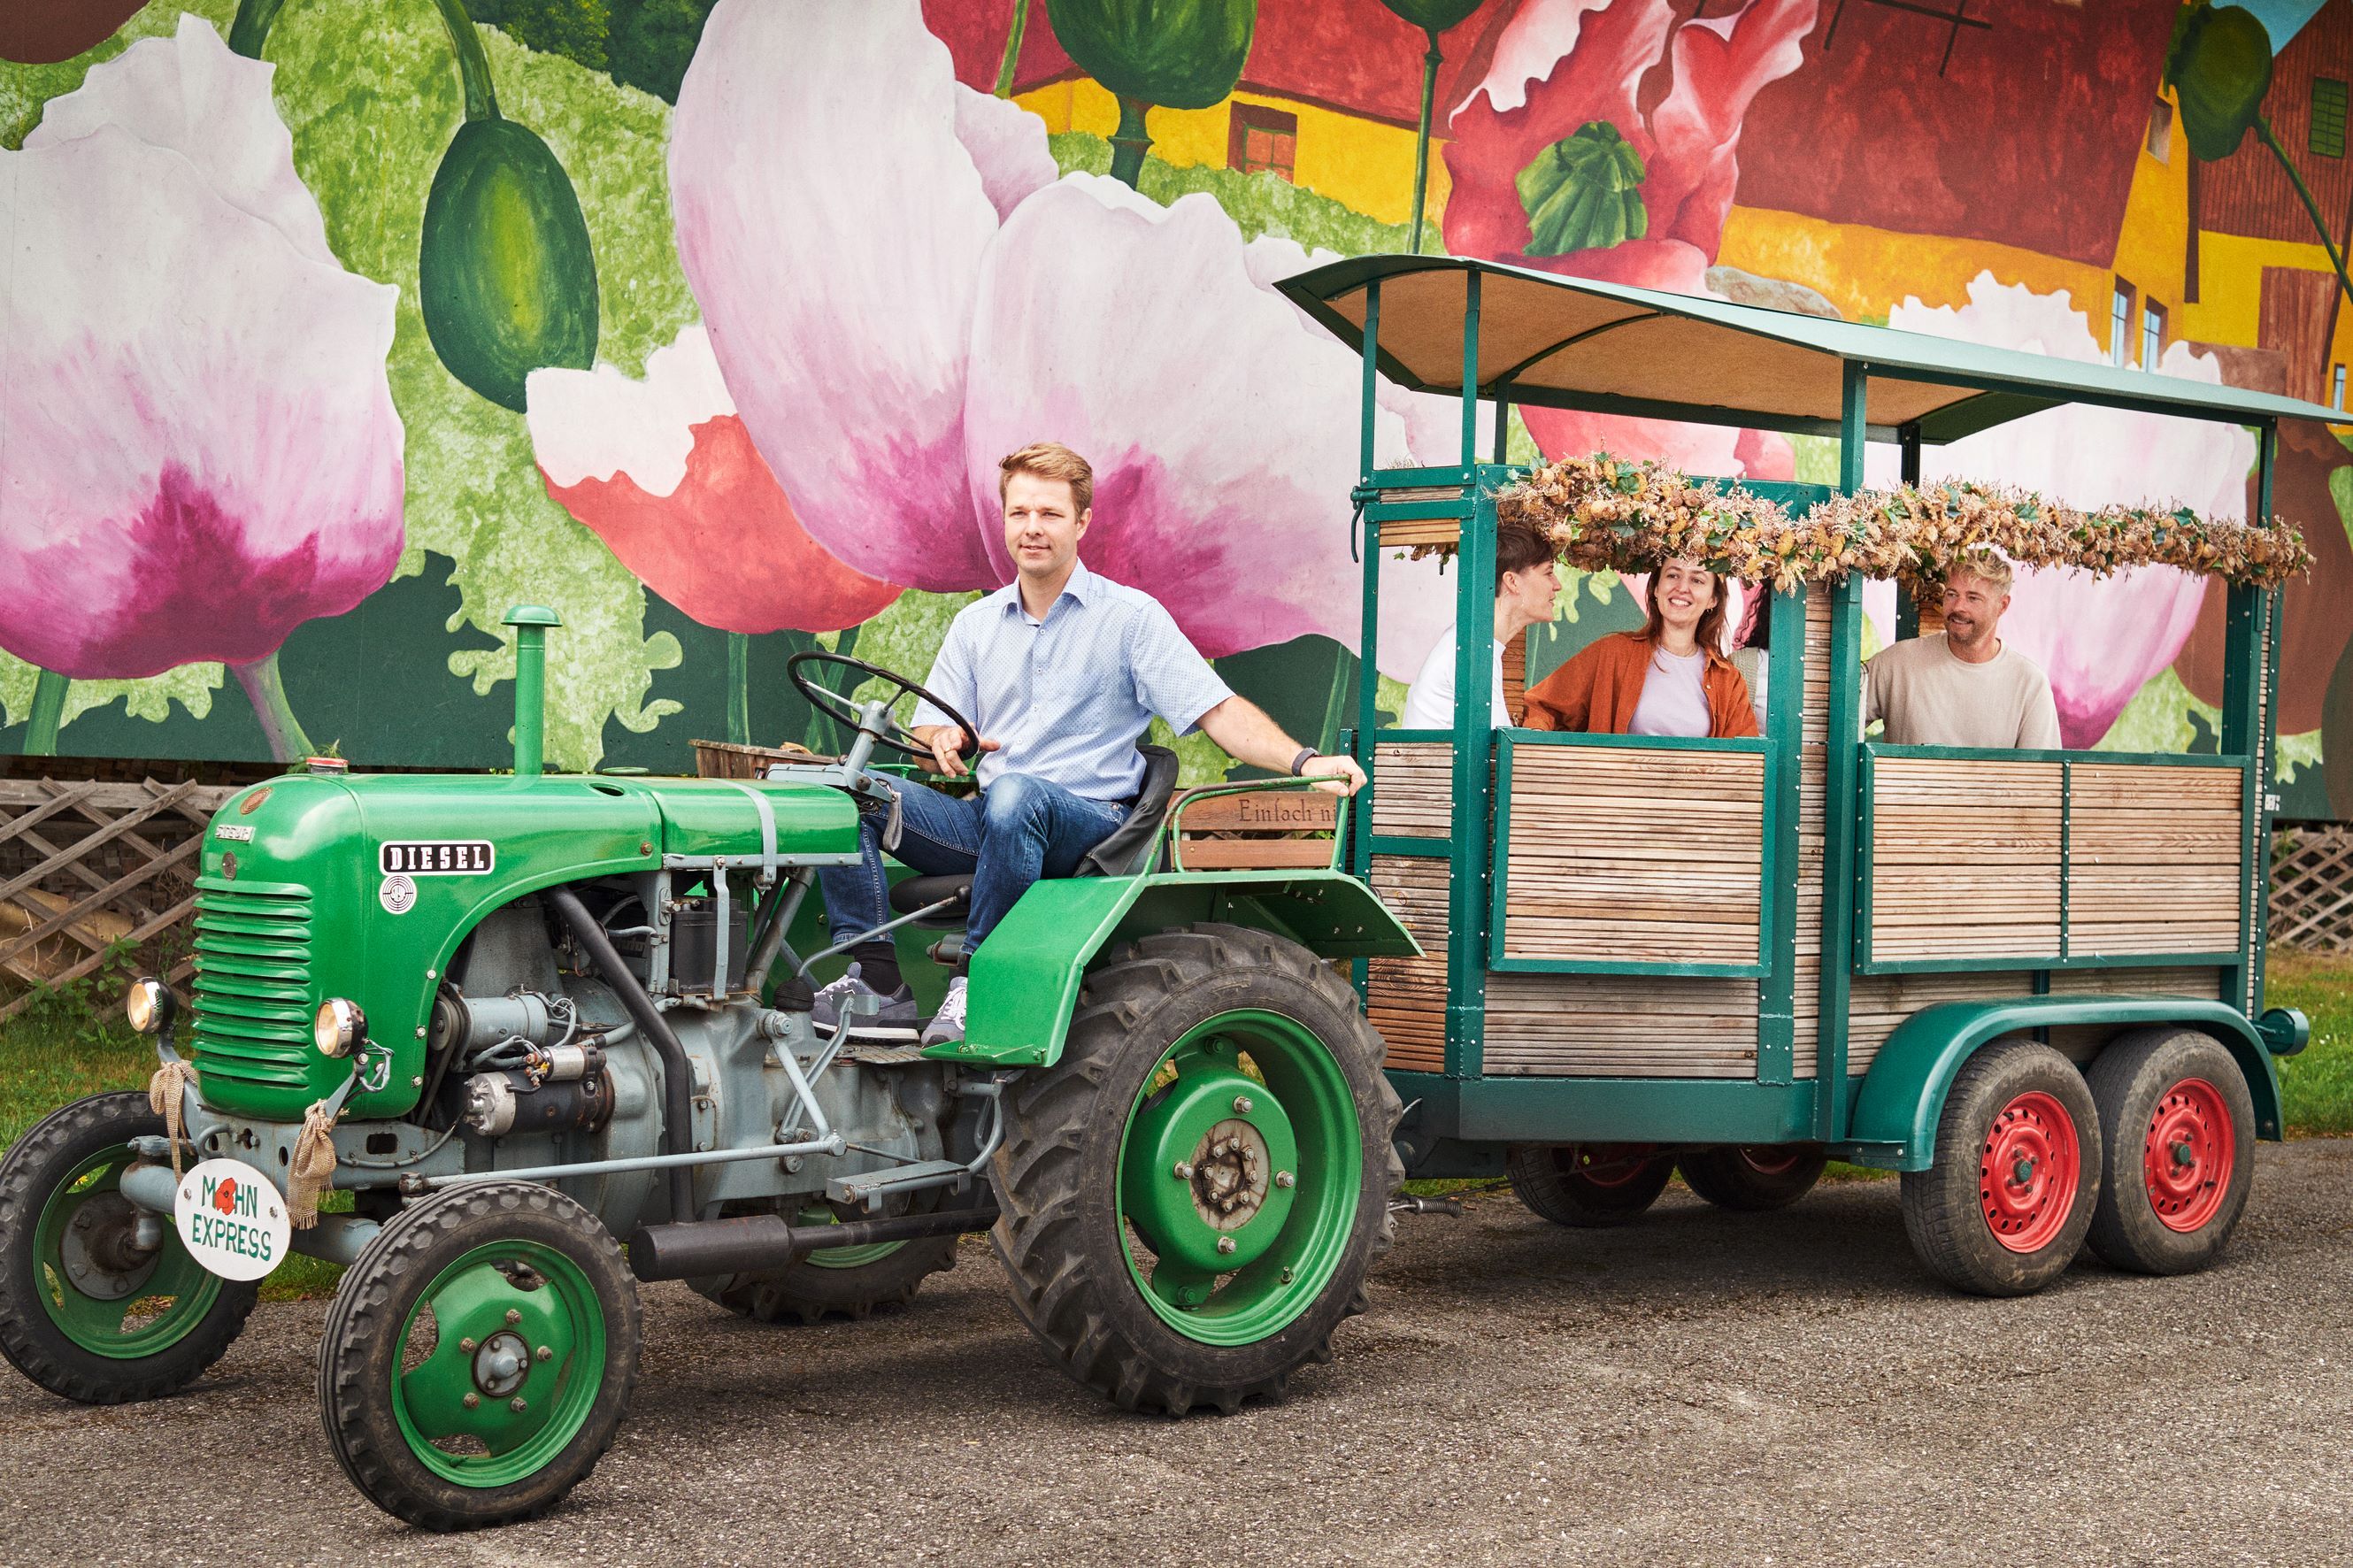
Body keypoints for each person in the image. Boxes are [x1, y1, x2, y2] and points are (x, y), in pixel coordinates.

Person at [814, 441, 1366, 1047]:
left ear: (1081, 522)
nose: (1032, 528)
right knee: (847, 792)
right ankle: (874, 981)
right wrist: (940, 739)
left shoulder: (1130, 618)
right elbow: (926, 740)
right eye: (1019, 513)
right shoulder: (975, 625)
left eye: (1049, 514)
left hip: (1089, 823)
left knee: (1017, 796)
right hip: (994, 819)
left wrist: (1305, 760)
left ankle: (979, 979)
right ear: (1003, 520)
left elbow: (1218, 710)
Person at [1519, 557, 1758, 737]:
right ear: (1656, 588)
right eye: (1673, 575)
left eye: (1697, 580)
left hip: (1690, 803)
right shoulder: (1612, 653)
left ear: (1713, 600)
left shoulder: (1728, 680)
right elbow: (1541, 706)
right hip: (1619, 800)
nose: (1682, 588)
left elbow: (1745, 760)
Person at [1864, 550, 2060, 749]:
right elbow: (1835, 719)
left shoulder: (2030, 683)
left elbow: (2042, 775)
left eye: (1973, 598)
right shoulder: (1897, 662)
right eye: (1952, 594)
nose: (1958, 606)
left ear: (2002, 606)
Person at [1399, 516, 1559, 730]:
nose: (1557, 585)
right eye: (1548, 573)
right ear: (1512, 581)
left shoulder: (1475, 644)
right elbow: (1491, 756)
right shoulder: (1471, 652)